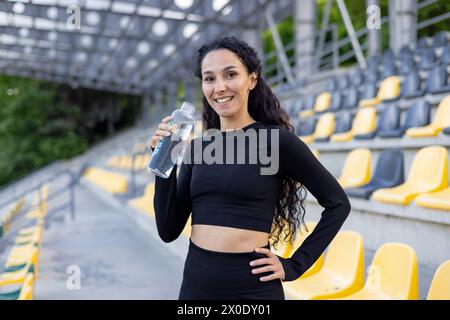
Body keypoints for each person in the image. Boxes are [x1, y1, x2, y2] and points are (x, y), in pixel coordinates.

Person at [149, 36, 351, 300]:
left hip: (252, 289)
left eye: (230, 74)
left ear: (252, 79)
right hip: (195, 288)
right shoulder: (198, 148)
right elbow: (168, 230)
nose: (219, 87)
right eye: (209, 79)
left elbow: (338, 204)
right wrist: (163, 161)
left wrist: (295, 265)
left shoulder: (276, 141)